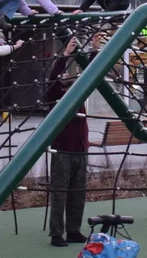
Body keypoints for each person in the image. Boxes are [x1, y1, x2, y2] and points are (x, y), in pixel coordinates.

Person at [44, 34, 105, 247]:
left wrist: (95, 49)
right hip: (62, 149)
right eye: (66, 82)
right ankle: (56, 233)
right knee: (60, 193)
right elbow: (52, 81)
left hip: (80, 148)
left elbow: (93, 75)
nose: (70, 84)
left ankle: (73, 229)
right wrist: (66, 55)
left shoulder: (79, 96)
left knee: (78, 192)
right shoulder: (56, 99)